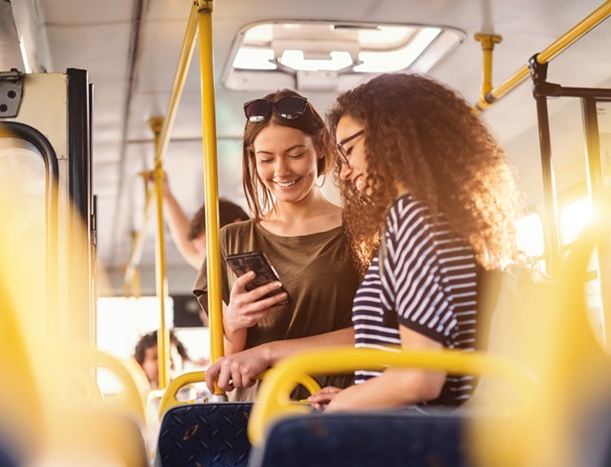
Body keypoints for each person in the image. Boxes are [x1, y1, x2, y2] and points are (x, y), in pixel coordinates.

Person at [307, 73, 523, 412]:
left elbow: (421, 377)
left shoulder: (413, 217)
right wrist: (360, 393)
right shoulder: (445, 214)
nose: (345, 172)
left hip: (418, 437)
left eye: (349, 151)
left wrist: (344, 404)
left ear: (389, 134)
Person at [194, 89, 360, 400]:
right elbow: (227, 363)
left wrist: (270, 353)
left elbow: (380, 335)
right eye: (266, 159)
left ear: (321, 148)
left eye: (295, 154)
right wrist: (234, 323)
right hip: (256, 415)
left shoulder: (362, 229)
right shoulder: (231, 239)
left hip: (335, 407)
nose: (281, 171)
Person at [153, 171, 249, 270]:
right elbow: (190, 251)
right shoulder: (220, 269)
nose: (207, 262)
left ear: (236, 230)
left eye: (211, 253)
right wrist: (166, 195)